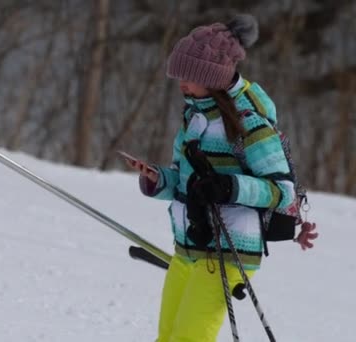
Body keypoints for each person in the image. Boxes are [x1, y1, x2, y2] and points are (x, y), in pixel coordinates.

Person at [126, 14, 297, 341]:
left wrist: (228, 187)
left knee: (189, 339)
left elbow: (281, 191)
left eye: (189, 76)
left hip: (228, 250)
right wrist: (157, 180)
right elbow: (186, 183)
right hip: (189, 245)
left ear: (213, 77)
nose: (181, 83)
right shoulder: (195, 118)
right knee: (168, 337)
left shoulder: (249, 124)